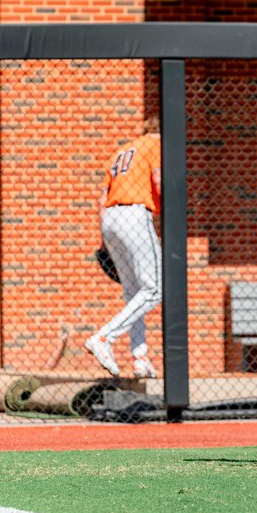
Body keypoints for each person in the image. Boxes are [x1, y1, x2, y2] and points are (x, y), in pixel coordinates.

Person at [85, 115, 162, 379]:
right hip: (135, 214)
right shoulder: (156, 145)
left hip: (111, 219)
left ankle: (140, 359)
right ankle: (104, 337)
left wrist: (104, 240)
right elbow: (158, 180)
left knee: (134, 292)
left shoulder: (123, 150)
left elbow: (102, 198)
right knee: (154, 289)